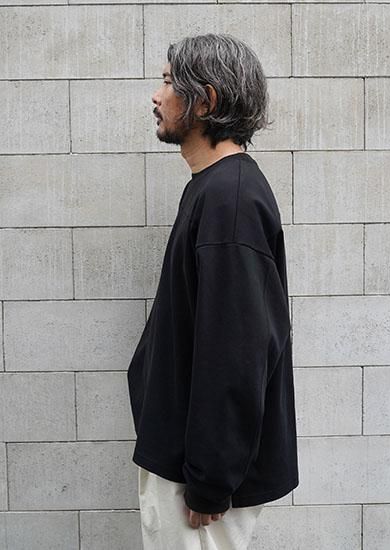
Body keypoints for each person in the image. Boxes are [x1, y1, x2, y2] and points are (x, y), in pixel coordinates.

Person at [127, 33, 299, 550]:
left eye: (167, 83)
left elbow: (237, 354)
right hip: (188, 461)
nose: (155, 96)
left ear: (205, 101)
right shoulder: (214, 187)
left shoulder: (231, 200)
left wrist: (210, 480)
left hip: (198, 483)